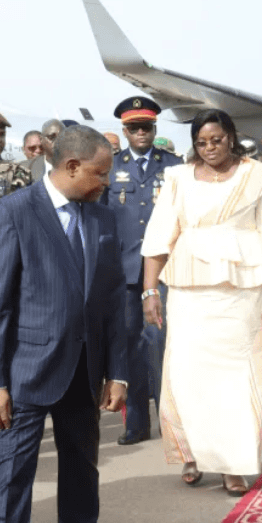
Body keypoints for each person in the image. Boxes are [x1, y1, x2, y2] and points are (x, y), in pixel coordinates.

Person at [0, 126, 128, 523]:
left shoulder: (104, 217)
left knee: (82, 475)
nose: (106, 181)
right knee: (10, 487)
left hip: (84, 374)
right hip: (22, 376)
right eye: (100, 173)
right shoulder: (12, 213)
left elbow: (112, 303)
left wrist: (118, 371)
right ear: (71, 167)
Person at [141, 108, 262, 495]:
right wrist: (148, 291)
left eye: (217, 140)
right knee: (187, 373)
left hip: (245, 289)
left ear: (231, 136)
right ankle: (191, 453)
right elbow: (159, 236)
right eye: (201, 142)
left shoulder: (257, 175)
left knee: (240, 376)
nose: (210, 148)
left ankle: (233, 463)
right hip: (189, 290)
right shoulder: (177, 177)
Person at [103, 97, 184, 445]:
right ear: (125, 130)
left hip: (165, 270)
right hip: (123, 273)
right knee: (129, 345)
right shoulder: (110, 167)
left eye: (147, 127)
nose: (140, 132)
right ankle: (136, 423)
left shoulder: (175, 167)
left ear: (155, 129)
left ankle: (169, 419)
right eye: (134, 127)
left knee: (162, 345)